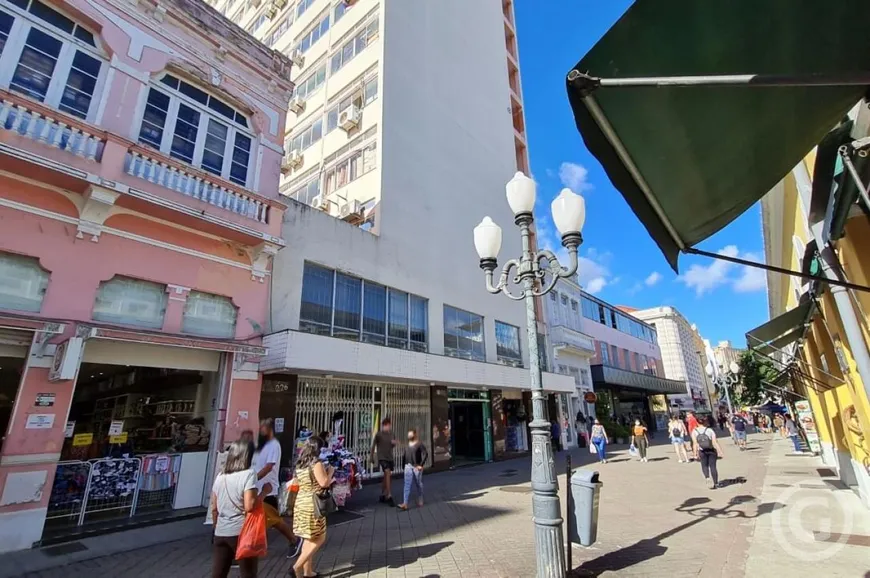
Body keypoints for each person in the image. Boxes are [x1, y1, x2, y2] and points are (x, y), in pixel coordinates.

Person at [254, 419, 301, 559]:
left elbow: (269, 466)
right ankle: (255, 547)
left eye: (263, 426)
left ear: (270, 429)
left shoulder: (274, 445)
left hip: (267, 488)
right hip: (256, 488)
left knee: (274, 520)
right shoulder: (260, 445)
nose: (260, 429)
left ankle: (294, 540)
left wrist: (254, 478)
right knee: (266, 520)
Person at [211, 440, 259, 578]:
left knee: (218, 573)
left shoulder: (221, 476)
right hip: (241, 532)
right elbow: (249, 506)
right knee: (248, 573)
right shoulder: (249, 474)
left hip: (221, 531)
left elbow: (214, 507)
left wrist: (216, 527)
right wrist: (263, 493)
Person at [290, 437, 333, 578]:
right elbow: (324, 483)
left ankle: (308, 572)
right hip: (313, 505)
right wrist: (331, 472)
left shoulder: (300, 463)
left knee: (308, 538)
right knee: (319, 537)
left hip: (301, 502)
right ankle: (297, 566)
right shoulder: (316, 463)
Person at [398, 428, 428, 511]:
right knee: (407, 485)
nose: (409, 436)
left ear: (415, 435)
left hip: (416, 467)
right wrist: (403, 466)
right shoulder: (407, 445)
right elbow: (404, 455)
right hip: (408, 466)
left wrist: (421, 465)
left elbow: (425, 454)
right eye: (408, 434)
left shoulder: (419, 444)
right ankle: (405, 503)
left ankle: (420, 497)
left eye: (411, 434)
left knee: (418, 483)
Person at [692, 416, 725, 489]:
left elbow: (695, 444)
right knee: (713, 466)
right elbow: (715, 442)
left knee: (704, 466)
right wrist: (720, 452)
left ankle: (707, 478)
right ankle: (716, 483)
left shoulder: (694, 431)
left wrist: (695, 454)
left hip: (702, 451)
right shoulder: (709, 430)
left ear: (697, 422)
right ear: (705, 422)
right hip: (711, 450)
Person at [371, 417, 397, 506]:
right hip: (382, 457)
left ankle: (383, 494)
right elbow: (373, 445)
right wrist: (371, 457)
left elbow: (392, 445)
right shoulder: (379, 434)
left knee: (387, 475)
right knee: (387, 472)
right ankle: (389, 495)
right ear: (383, 426)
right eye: (386, 426)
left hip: (390, 457)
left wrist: (394, 443)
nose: (388, 427)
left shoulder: (392, 434)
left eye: (389, 426)